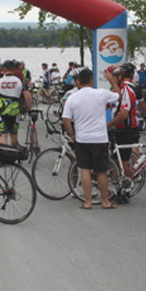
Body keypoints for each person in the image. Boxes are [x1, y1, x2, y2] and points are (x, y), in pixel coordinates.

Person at [62, 67, 120, 210]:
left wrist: (72, 135)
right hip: (100, 138)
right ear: (92, 80)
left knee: (85, 169)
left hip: (82, 138)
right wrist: (112, 81)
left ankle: (87, 202)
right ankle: (105, 201)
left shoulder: (72, 97)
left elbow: (66, 119)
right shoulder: (100, 94)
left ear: (78, 82)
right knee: (101, 171)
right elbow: (118, 95)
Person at [0, 60, 33, 146]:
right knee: (14, 135)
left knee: (3, 134)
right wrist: (30, 109)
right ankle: (13, 156)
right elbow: (28, 96)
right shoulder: (20, 81)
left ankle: (3, 156)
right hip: (14, 111)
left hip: (2, 111)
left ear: (4, 68)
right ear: (14, 68)